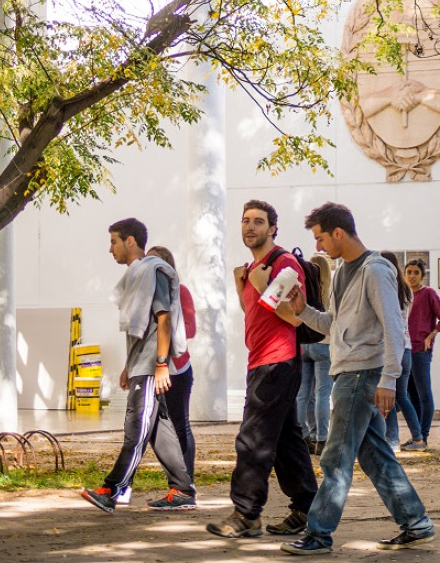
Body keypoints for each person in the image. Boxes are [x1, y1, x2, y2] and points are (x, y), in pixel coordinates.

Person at [280, 201, 435, 555]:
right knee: (375, 456)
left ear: (338, 232)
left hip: (362, 373)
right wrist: (302, 310)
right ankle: (416, 523)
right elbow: (332, 325)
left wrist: (389, 379)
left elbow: (395, 328)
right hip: (348, 371)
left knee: (335, 457)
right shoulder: (341, 272)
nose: (318, 246)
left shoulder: (375, 270)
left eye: (320, 238)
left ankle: (318, 534)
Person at [205, 200, 318, 539]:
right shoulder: (254, 267)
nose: (250, 227)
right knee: (285, 441)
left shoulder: (284, 264)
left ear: (273, 228)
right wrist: (245, 288)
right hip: (261, 360)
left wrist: (260, 282)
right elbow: (255, 312)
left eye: (258, 221)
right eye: (245, 221)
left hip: (278, 360)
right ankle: (308, 508)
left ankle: (247, 513)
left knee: (253, 439)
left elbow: (292, 317)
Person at [81, 218, 195, 513]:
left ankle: (111, 490)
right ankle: (182, 490)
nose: (110, 250)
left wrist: (159, 364)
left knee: (136, 428)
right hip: (141, 365)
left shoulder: (152, 271)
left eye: (114, 242)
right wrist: (128, 366)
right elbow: (140, 328)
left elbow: (163, 318)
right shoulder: (139, 274)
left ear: (130, 241)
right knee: (157, 428)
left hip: (150, 367)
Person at [146, 246, 197, 481]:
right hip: (151, 370)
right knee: (152, 426)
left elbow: (190, 330)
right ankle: (176, 480)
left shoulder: (180, 293)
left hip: (176, 369)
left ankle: (183, 481)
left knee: (179, 424)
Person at [403, 258, 440, 450]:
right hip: (405, 350)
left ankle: (424, 436)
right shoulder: (404, 296)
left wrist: (431, 336)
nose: (412, 276)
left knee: (424, 395)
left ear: (422, 275)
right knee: (411, 395)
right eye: (409, 272)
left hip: (421, 351)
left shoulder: (428, 293)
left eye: (416, 272)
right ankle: (417, 437)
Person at [380, 251, 422, 451]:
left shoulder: (387, 288)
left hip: (392, 349)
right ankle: (418, 437)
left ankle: (393, 439)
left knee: (389, 397)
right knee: (401, 396)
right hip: (407, 348)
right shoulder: (407, 290)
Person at [295, 253, 334, 455]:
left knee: (303, 394)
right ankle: (321, 437)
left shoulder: (305, 287)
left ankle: (303, 435)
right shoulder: (330, 290)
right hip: (324, 344)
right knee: (323, 393)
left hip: (304, 343)